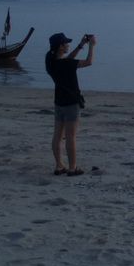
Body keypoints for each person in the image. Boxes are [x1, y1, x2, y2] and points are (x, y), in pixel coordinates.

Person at [45, 31, 96, 176]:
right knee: (70, 136)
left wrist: (81, 45)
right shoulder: (66, 64)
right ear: (61, 46)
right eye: (66, 43)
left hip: (59, 102)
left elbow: (67, 60)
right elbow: (88, 62)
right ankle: (73, 167)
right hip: (71, 103)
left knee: (57, 135)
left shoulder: (50, 59)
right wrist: (92, 46)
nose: (68, 45)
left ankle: (59, 165)